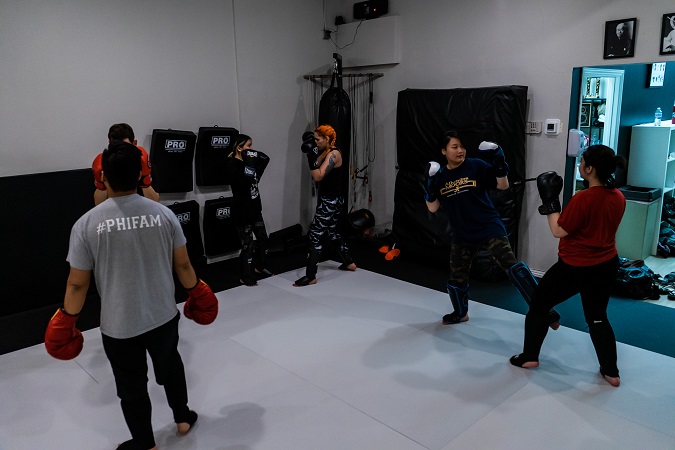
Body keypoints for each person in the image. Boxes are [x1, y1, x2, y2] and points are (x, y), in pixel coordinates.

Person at [45, 141, 219, 449]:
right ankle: (182, 419)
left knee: (131, 386)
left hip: (120, 325)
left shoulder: (86, 225)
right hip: (163, 314)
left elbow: (77, 285)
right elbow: (183, 264)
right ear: (141, 175)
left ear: (103, 179)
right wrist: (197, 293)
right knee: (171, 365)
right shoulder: (164, 214)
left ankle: (146, 443)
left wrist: (67, 320)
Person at [510, 145, 626, 388]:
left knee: (539, 305)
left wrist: (550, 200)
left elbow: (558, 230)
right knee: (597, 317)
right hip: (606, 264)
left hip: (575, 266)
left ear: (590, 168)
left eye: (582, 161)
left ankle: (529, 357)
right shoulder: (618, 196)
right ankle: (611, 372)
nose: (579, 165)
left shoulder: (583, 198)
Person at [424, 130, 560, 327]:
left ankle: (545, 310)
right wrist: (429, 187)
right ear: (444, 151)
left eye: (462, 146)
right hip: (462, 233)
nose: (460, 150)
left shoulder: (475, 165)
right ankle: (460, 313)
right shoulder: (440, 176)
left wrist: (499, 163)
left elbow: (503, 185)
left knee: (512, 267)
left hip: (488, 227)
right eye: (455, 147)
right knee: (457, 277)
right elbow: (433, 207)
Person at [294, 125, 356, 286]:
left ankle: (311, 275)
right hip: (333, 199)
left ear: (327, 139)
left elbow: (318, 176)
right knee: (333, 231)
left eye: (317, 139)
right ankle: (349, 262)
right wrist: (312, 152)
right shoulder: (326, 152)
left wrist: (309, 158)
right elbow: (317, 165)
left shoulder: (333, 154)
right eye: (313, 139)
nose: (315, 142)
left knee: (315, 235)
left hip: (330, 201)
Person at [225, 134, 272, 286]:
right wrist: (251, 165)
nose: (252, 149)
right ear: (239, 147)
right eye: (249, 145)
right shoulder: (232, 164)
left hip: (255, 209)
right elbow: (243, 183)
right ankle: (245, 275)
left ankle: (260, 267)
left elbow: (264, 162)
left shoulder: (248, 162)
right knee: (248, 245)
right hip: (242, 211)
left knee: (264, 240)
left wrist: (255, 162)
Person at [93, 123, 160, 206]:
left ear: (134, 143)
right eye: (116, 145)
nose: (121, 150)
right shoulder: (106, 165)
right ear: (110, 144)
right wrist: (101, 183)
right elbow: (98, 204)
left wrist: (145, 180)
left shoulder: (144, 164)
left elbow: (155, 202)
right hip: (114, 215)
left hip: (140, 214)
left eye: (125, 146)